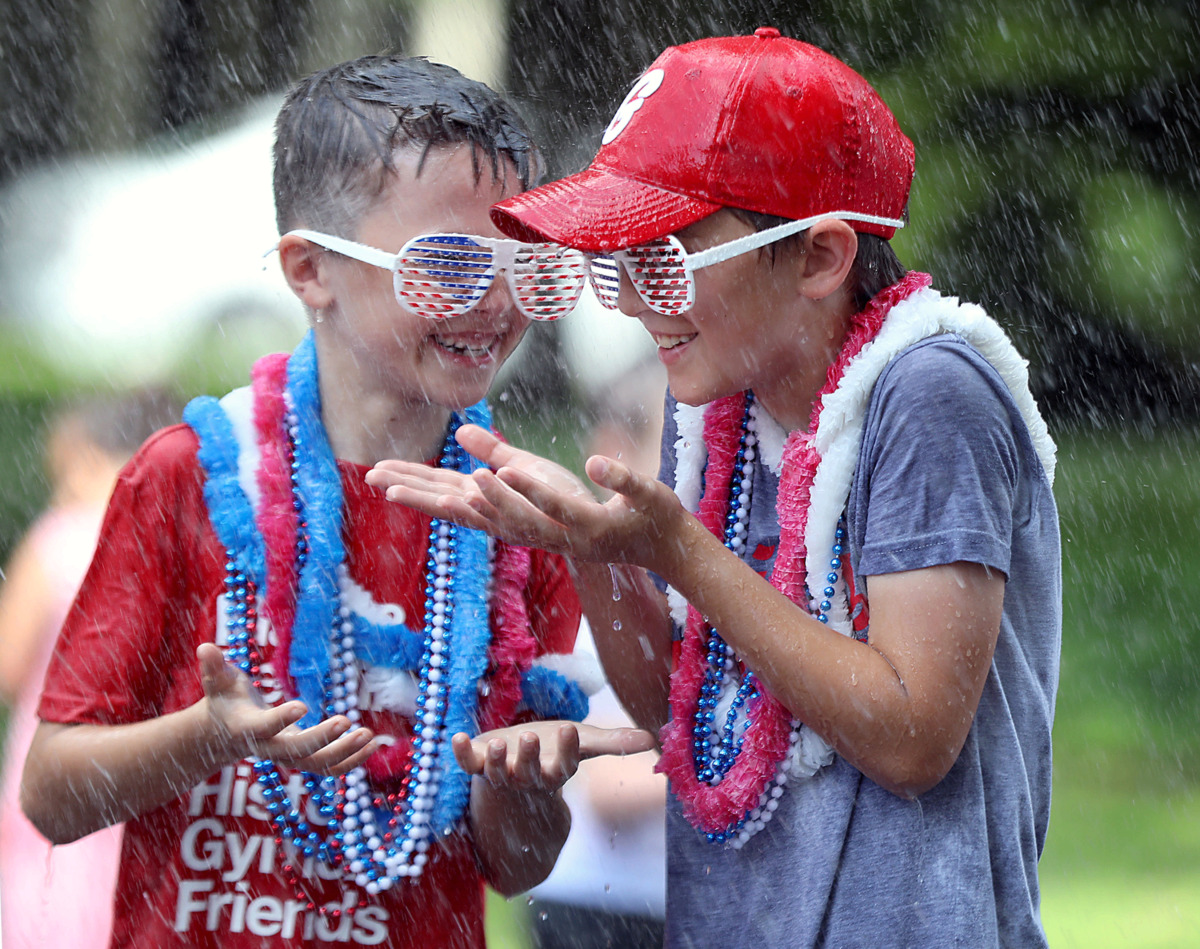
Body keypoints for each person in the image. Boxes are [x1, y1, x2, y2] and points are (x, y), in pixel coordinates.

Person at [367, 29, 1062, 949]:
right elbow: (677, 710)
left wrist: (681, 554)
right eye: (617, 262)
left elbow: (910, 737)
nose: (627, 301)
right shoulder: (713, 410)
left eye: (662, 261)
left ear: (819, 257)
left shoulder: (928, 395)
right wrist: (595, 547)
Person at [20, 55, 652, 949]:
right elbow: (50, 793)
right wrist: (209, 734)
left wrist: (520, 785)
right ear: (310, 269)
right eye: (449, 263)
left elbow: (515, 865)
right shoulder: (191, 478)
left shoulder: (515, 517)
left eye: (527, 263)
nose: (499, 299)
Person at [0, 390, 179, 949]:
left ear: (88, 454)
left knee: (47, 912)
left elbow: (7, 665)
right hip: (148, 768)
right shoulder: (171, 534)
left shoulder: (57, 537)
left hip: (62, 765)